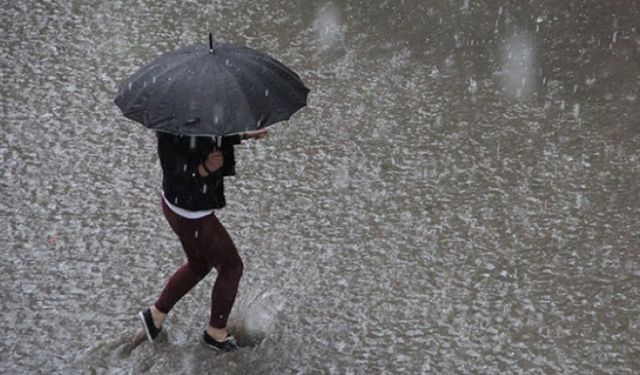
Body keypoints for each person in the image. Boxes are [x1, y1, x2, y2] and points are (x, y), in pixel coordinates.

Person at [138, 128, 269, 352]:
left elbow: (209, 134)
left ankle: (155, 315)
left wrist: (243, 134)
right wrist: (204, 168)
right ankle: (215, 333)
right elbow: (176, 173)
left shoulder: (195, 116)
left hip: (179, 207)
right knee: (231, 266)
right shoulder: (173, 128)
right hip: (191, 213)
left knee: (199, 264)